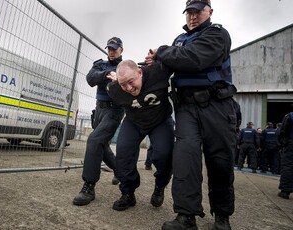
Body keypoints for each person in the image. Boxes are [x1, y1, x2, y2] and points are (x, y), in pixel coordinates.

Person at [144, 0, 238, 229]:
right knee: (185, 160)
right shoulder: (179, 41)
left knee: (220, 162)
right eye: (189, 12)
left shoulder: (218, 35)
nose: (193, 16)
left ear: (210, 12)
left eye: (198, 11)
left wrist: (162, 51)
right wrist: (149, 64)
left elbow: (194, 59)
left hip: (217, 106)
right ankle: (186, 216)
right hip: (186, 108)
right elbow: (168, 65)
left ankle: (222, 215)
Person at [106, 60, 174, 211]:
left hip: (160, 120)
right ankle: (128, 193)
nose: (129, 88)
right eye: (124, 84)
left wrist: (159, 53)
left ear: (140, 72)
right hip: (134, 122)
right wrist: (117, 83)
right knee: (123, 152)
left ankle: (160, 185)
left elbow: (176, 59)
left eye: (131, 81)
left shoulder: (158, 72)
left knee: (164, 153)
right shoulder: (115, 89)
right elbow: (112, 88)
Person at [73, 37, 125, 206]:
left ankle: (89, 186)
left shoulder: (125, 67)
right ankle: (120, 171)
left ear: (121, 50)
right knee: (101, 145)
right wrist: (105, 75)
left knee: (95, 140)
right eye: (109, 48)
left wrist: (119, 78)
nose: (111, 52)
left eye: (114, 49)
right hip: (99, 110)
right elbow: (90, 79)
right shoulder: (100, 65)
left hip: (114, 110)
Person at [277, 112, 293, 199]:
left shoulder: (289, 116)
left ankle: (285, 191)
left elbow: (283, 131)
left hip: (291, 144)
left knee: (288, 166)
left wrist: (283, 143)